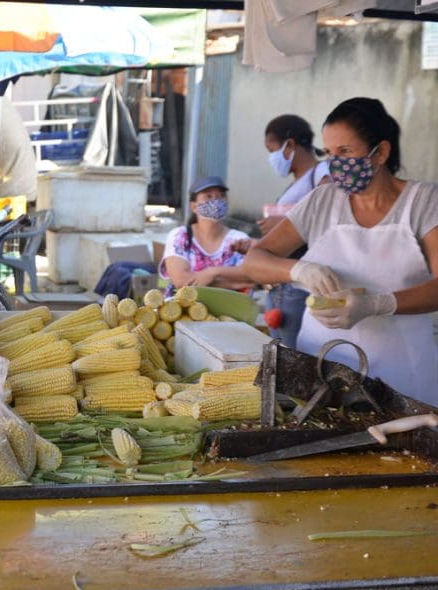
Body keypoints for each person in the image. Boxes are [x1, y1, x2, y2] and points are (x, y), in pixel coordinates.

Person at [243, 97, 438, 406]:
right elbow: (254, 261)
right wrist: (298, 270)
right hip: (322, 370)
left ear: (381, 152)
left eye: (345, 152)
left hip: (404, 376)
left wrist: (377, 304)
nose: (336, 164)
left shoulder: (424, 202)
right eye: (329, 154)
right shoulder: (322, 200)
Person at [259, 114, 332, 348]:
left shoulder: (322, 174)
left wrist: (284, 224)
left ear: (290, 145)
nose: (271, 158)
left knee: (293, 356)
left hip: (301, 281)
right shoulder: (299, 181)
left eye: (272, 151)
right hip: (284, 282)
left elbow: (330, 216)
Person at [159, 175, 254, 296]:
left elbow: (250, 278)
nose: (216, 201)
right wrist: (230, 281)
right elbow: (182, 282)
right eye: (208, 196)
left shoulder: (239, 240)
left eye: (221, 196)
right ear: (194, 206)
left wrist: (213, 273)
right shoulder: (180, 236)